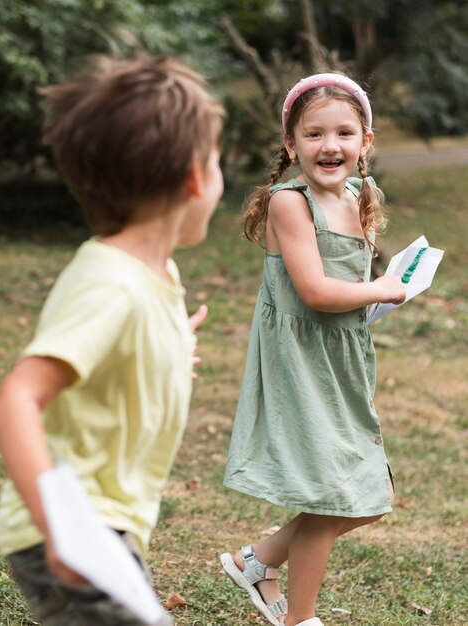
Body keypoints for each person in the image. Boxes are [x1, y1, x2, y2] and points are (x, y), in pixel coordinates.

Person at [0, 54, 224, 626]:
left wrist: (166, 347)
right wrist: (61, 529)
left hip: (108, 529)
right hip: (79, 531)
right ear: (196, 175)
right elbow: (16, 400)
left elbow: (120, 353)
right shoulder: (111, 284)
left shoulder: (153, 274)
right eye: (219, 162)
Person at [219, 73, 406, 626]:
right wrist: (379, 288)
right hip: (299, 361)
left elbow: (349, 286)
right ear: (291, 144)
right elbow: (316, 291)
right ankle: (299, 618)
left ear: (365, 141)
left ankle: (258, 560)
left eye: (345, 133)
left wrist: (387, 293)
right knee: (333, 496)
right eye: (314, 134)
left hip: (342, 357)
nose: (330, 146)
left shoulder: (360, 195)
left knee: (368, 495)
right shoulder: (288, 204)